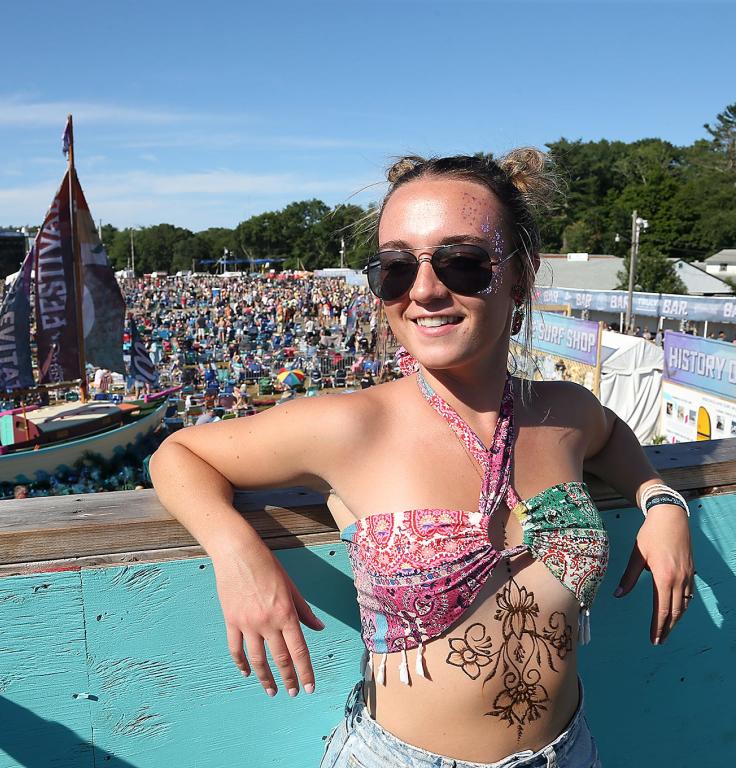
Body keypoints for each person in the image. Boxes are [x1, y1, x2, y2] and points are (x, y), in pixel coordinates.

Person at [148, 149, 695, 768]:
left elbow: (613, 437)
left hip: (568, 752)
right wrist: (236, 553)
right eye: (395, 268)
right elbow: (179, 453)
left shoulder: (563, 411)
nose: (426, 290)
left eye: (463, 263)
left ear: (521, 276)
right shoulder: (350, 424)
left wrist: (660, 501)